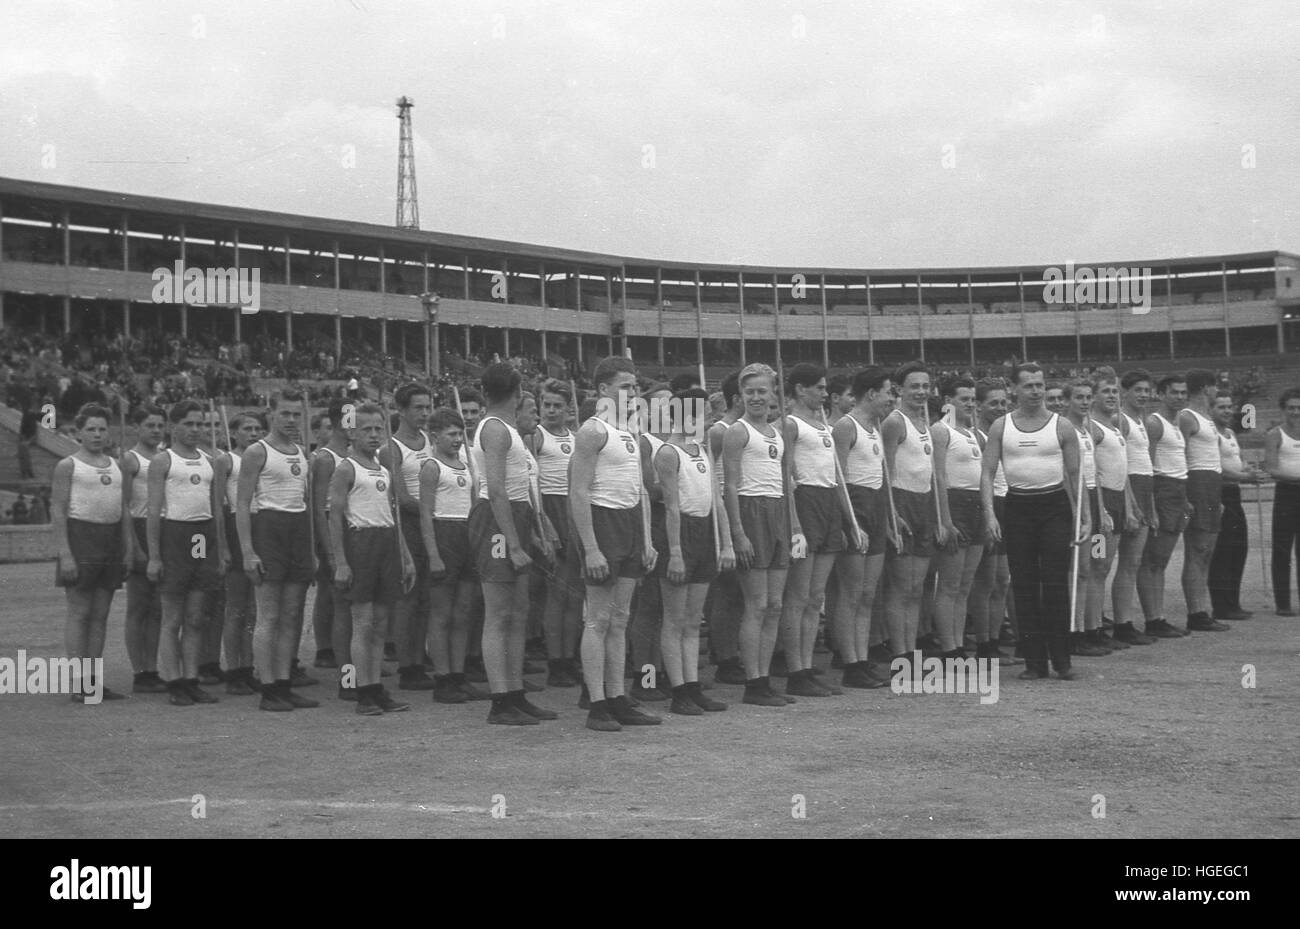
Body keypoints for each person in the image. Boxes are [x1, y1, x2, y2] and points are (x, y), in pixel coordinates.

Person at [571, 356, 660, 730]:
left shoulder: (631, 431)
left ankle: (617, 696)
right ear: (604, 391)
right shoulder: (593, 432)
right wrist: (591, 547)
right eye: (625, 387)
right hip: (603, 522)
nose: (633, 393)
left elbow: (639, 488)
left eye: (636, 387)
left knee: (621, 619)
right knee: (598, 619)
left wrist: (648, 538)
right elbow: (578, 490)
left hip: (629, 524)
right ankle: (596, 704)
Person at [982, 363, 1087, 681]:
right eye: (1028, 385)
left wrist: (1085, 517)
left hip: (1054, 507)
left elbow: (1076, 476)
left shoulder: (1062, 426)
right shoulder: (1001, 427)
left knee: (1055, 582)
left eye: (1040, 384)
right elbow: (986, 473)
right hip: (1018, 508)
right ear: (1014, 389)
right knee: (1024, 585)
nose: (1036, 391)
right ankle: (1034, 661)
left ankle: (1062, 659)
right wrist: (989, 513)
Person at [469, 363, 557, 725]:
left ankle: (515, 691)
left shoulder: (508, 429)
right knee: (499, 613)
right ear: (518, 393)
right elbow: (496, 489)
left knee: (518, 610)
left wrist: (532, 531)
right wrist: (513, 543)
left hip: (515, 515)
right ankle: (500, 699)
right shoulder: (494, 429)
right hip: (497, 520)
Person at [779, 363, 862, 697]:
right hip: (805, 501)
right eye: (820, 388)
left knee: (816, 597)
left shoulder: (823, 423)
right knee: (798, 595)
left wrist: (847, 520)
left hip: (828, 502)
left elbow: (836, 477)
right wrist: (795, 523)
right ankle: (795, 669)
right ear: (800, 389)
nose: (826, 394)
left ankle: (807, 666)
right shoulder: (790, 424)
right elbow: (786, 475)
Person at [235, 389, 320, 712]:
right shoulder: (257, 452)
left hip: (296, 532)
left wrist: (310, 550)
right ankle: (268, 686)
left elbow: (306, 504)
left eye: (296, 414)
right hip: (268, 530)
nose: (291, 420)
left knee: (292, 614)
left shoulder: (301, 452)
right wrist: (247, 551)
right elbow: (242, 503)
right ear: (270, 414)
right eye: (285, 413)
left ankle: (284, 682)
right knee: (268, 614)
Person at [329, 403, 415, 715]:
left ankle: (376, 686)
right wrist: (340, 561)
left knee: (380, 625)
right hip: (360, 543)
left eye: (379, 429)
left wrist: (405, 556)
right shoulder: (346, 469)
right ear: (352, 432)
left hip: (386, 544)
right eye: (367, 429)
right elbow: (334, 518)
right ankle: (362, 689)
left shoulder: (384, 471)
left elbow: (394, 517)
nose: (374, 435)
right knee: (362, 624)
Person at [653, 387, 734, 715]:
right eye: (704, 414)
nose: (710, 419)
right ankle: (678, 691)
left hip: (704, 532)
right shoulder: (668, 453)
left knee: (691, 620)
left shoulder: (702, 451)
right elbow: (671, 506)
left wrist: (726, 542)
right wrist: (674, 551)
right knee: (674, 620)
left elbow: (717, 500)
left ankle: (692, 685)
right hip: (680, 533)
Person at [723, 363, 794, 707]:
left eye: (761, 391)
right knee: (757, 604)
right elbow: (731, 484)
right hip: (751, 513)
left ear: (773, 394)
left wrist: (792, 527)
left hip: (776, 512)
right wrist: (738, 532)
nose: (755, 397)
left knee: (776, 605)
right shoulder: (737, 432)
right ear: (741, 396)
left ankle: (765, 678)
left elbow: (784, 482)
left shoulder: (777, 433)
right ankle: (753, 680)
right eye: (749, 391)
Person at [51, 404, 131, 702]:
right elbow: (57, 510)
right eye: (91, 429)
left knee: (100, 614)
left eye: (101, 429)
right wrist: (65, 554)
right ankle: (78, 684)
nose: (97, 435)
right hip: (81, 538)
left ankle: (94, 682)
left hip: (109, 541)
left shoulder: (116, 464)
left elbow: (122, 509)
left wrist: (126, 549)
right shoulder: (68, 466)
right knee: (80, 612)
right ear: (79, 432)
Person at [146, 400, 224, 706]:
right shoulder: (163, 461)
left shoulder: (209, 461)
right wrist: (154, 556)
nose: (196, 430)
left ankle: (192, 678)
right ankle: (173, 680)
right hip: (174, 535)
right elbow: (153, 511)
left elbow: (216, 508)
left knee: (195, 617)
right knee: (172, 617)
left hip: (201, 536)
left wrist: (220, 551)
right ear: (174, 426)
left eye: (200, 424)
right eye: (189, 424)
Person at [831, 367, 895, 687]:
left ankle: (862, 656)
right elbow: (839, 479)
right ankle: (850, 663)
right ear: (871, 394)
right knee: (851, 592)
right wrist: (851, 523)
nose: (891, 398)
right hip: (856, 508)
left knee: (868, 593)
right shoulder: (846, 426)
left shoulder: (876, 425)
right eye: (887, 392)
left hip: (876, 505)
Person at [420, 408, 485, 703]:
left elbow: (474, 507)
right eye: (452, 434)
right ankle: (443, 677)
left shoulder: (467, 466)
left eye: (461, 434)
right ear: (435, 436)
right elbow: (424, 515)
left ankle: (459, 675)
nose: (458, 439)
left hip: (466, 535)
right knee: (442, 614)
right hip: (443, 533)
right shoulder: (432, 467)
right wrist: (433, 554)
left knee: (463, 613)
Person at [881, 362, 944, 666]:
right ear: (899, 390)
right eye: (914, 386)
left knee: (916, 588)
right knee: (900, 587)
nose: (921, 392)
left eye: (925, 386)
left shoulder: (925, 423)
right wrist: (892, 512)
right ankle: (901, 656)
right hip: (902, 503)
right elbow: (886, 471)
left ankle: (911, 652)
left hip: (924, 504)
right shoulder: (895, 422)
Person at [380, 384, 436, 691]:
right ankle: (406, 666)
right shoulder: (391, 448)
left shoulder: (430, 440)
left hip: (431, 522)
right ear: (401, 411)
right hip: (409, 524)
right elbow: (400, 498)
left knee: (427, 598)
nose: (425, 413)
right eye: (418, 407)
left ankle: (419, 657)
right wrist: (436, 507)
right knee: (408, 598)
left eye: (428, 407)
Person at [529, 379, 583, 688]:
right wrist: (543, 524)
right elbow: (530, 480)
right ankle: (555, 662)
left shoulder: (576, 438)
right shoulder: (537, 436)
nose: (551, 410)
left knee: (575, 594)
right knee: (556, 593)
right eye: (546, 405)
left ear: (568, 409)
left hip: (573, 510)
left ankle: (569, 657)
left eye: (557, 406)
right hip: (550, 509)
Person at [930, 376, 985, 660]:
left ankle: (959, 643)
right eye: (964, 399)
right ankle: (948, 647)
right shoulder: (940, 431)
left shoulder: (972, 433)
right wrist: (945, 519)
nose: (970, 405)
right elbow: (938, 475)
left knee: (965, 584)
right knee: (950, 584)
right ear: (948, 401)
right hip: (955, 504)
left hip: (976, 506)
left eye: (973, 400)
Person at [1137, 374, 1194, 638]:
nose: (1180, 397)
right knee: (1152, 559)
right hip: (1162, 490)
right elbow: (1147, 466)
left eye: (1184, 393)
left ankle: (1159, 616)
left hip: (1177, 491)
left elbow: (1179, 463)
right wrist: (1150, 506)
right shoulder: (1154, 423)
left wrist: (1185, 499)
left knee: (1162, 560)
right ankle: (1153, 619)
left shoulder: (1177, 422)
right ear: (1161, 394)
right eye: (1175, 392)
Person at [968, 378, 1019, 663]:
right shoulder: (976, 436)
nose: (1000, 408)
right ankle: (984, 644)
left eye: (1003, 403)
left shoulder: (1007, 434)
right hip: (988, 506)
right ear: (979, 406)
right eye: (993, 403)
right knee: (985, 581)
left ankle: (995, 640)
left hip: (1008, 504)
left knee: (1002, 580)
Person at [213, 410, 264, 694]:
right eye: (247, 429)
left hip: (260, 524)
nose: (253, 433)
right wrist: (222, 546)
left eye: (258, 428)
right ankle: (233, 669)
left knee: (254, 608)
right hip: (236, 526)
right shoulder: (226, 460)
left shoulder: (261, 457)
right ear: (234, 433)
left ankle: (249, 666)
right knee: (236, 606)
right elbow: (218, 505)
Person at [1061, 378, 1111, 656]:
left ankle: (1091, 627)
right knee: (1077, 571)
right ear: (1068, 400)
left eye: (1087, 397)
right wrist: (1077, 511)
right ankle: (1073, 631)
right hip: (1075, 503)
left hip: (1092, 500)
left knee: (1094, 566)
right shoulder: (1065, 429)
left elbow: (1095, 474)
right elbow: (1068, 474)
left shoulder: (1088, 429)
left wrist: (1100, 509)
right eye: (1078, 397)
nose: (1084, 402)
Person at [630, 382, 673, 701]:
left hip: (675, 522)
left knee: (665, 608)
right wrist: (676, 487)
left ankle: (659, 672)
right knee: (648, 607)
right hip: (653, 521)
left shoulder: (676, 442)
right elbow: (647, 488)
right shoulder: (645, 442)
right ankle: (643, 678)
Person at [1178, 369, 1229, 632]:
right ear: (1206, 388)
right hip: (1197, 482)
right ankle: (1195, 612)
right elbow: (1182, 455)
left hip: (1212, 484)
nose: (1216, 391)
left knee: (1207, 552)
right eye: (1214, 387)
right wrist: (1187, 495)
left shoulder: (1207, 418)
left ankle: (1202, 609)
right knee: (1196, 551)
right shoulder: (1187, 417)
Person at [1111, 370, 1159, 646]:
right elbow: (1121, 464)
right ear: (1125, 392)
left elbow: (1147, 465)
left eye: (1146, 390)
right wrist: (1131, 505)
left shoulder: (1142, 421)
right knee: (1113, 564)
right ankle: (1120, 623)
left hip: (1143, 490)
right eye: (1137, 390)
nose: (1143, 395)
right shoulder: (1122, 420)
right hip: (1126, 492)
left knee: (1133, 562)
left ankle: (1125, 621)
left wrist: (1149, 504)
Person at [121, 405, 167, 694]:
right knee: (139, 605)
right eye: (150, 425)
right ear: (138, 427)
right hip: (138, 527)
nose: (155, 430)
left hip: (164, 529)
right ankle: (139, 671)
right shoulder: (130, 459)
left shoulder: (165, 457)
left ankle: (152, 668)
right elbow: (123, 505)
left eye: (160, 425)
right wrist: (132, 546)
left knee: (158, 608)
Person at [309, 398, 354, 688]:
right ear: (338, 422)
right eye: (351, 420)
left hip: (357, 525)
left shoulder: (359, 455)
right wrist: (328, 549)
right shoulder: (325, 458)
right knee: (332, 595)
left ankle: (355, 660)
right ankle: (330, 652)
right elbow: (317, 506)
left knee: (355, 605)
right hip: (331, 525)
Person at [705, 370, 746, 684]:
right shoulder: (720, 431)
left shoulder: (752, 429)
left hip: (746, 505)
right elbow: (710, 471)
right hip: (723, 508)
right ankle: (725, 655)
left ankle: (733, 651)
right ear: (737, 398)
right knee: (727, 591)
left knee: (744, 593)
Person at [1208, 393, 1260, 621]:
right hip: (1220, 492)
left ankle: (1233, 601)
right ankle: (1221, 605)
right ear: (1211, 410)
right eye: (1221, 407)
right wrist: (1243, 476)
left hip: (1234, 492)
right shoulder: (1211, 435)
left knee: (1239, 547)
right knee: (1223, 550)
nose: (1227, 411)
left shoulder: (1230, 433)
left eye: (1230, 407)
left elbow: (1236, 461)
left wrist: (1247, 469)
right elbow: (1218, 468)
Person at [1263, 387, 1300, 616]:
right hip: (1286, 494)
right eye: (1291, 408)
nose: (1296, 412)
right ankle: (1283, 603)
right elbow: (1271, 469)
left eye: (1299, 408)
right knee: (1282, 550)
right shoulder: (1274, 434)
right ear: (1283, 410)